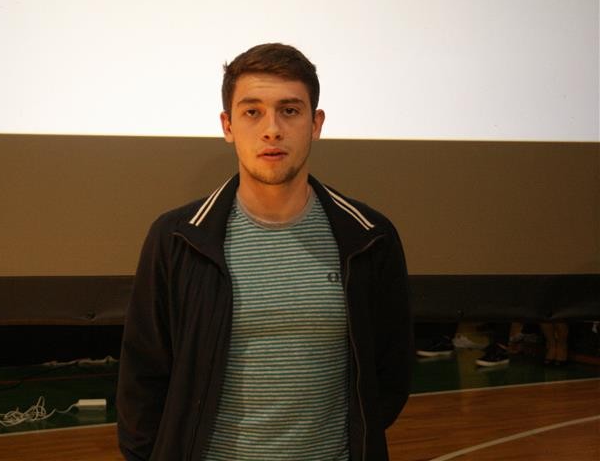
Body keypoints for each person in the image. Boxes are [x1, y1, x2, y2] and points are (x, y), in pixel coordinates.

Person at [116, 43, 413, 461]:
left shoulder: (369, 238)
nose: (272, 129)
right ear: (228, 126)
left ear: (316, 124)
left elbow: (389, 376)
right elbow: (141, 383)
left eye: (289, 110)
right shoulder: (176, 239)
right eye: (252, 112)